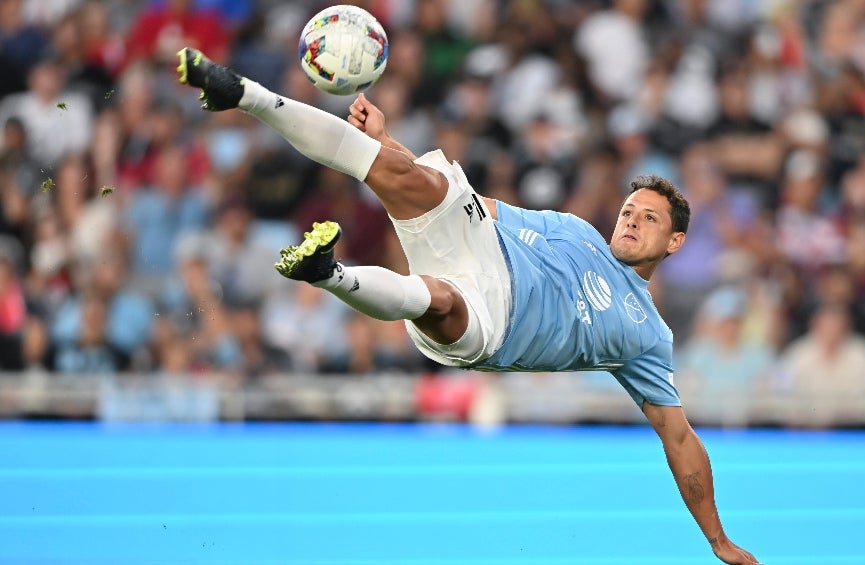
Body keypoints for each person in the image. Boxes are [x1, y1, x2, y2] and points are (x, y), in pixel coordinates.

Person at [176, 47, 760, 565]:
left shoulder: (648, 336)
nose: (631, 220)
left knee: (437, 298)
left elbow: (680, 439)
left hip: (492, 324)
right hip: (483, 247)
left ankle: (329, 273)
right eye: (629, 210)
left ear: (675, 242)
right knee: (405, 174)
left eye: (649, 218)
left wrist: (717, 540)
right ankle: (241, 92)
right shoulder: (574, 229)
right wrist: (385, 140)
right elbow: (474, 203)